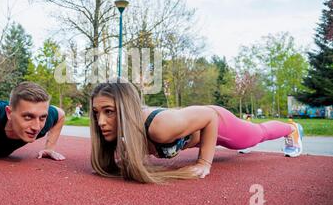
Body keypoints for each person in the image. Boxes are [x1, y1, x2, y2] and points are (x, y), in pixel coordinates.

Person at [90, 80, 304, 183]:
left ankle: (291, 128)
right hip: (200, 133)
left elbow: (209, 117)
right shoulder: (123, 134)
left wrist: (204, 163)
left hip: (219, 122)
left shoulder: (160, 127)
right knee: (246, 141)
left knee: (256, 135)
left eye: (109, 111)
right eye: (96, 113)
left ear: (127, 109)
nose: (101, 121)